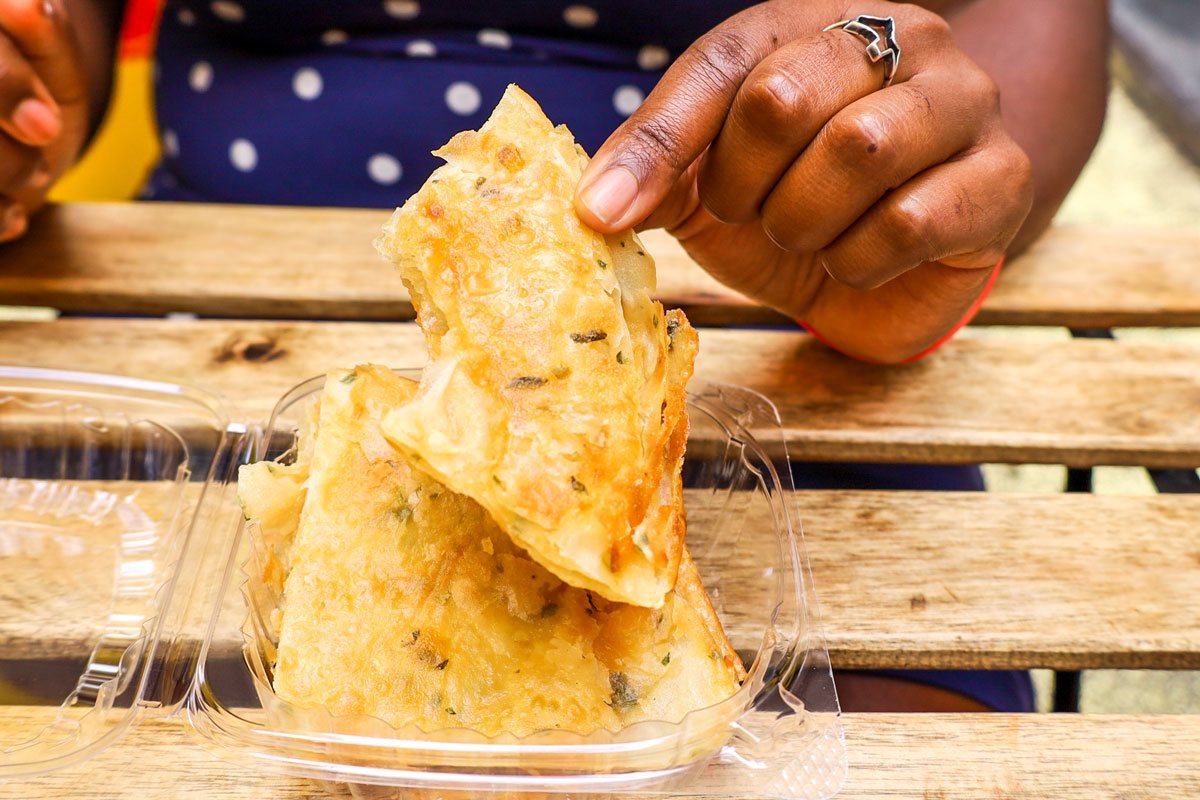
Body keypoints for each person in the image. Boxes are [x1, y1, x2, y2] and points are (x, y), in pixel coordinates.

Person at [0, 0, 1107, 710]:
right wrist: (32, 87)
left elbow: (1026, 22)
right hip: (203, 332)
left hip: (780, 323)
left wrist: (919, 197)